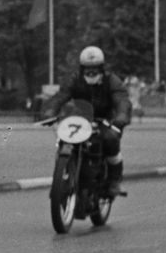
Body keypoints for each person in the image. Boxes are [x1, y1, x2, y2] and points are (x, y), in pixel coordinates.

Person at [37, 46, 132, 196]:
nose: (91, 72)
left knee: (110, 140)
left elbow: (122, 101)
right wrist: (50, 112)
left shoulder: (112, 81)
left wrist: (120, 118)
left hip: (105, 121)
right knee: (64, 140)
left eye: (95, 68)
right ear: (82, 69)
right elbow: (60, 97)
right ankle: (62, 176)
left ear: (102, 68)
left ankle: (115, 181)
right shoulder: (74, 79)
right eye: (87, 69)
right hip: (80, 118)